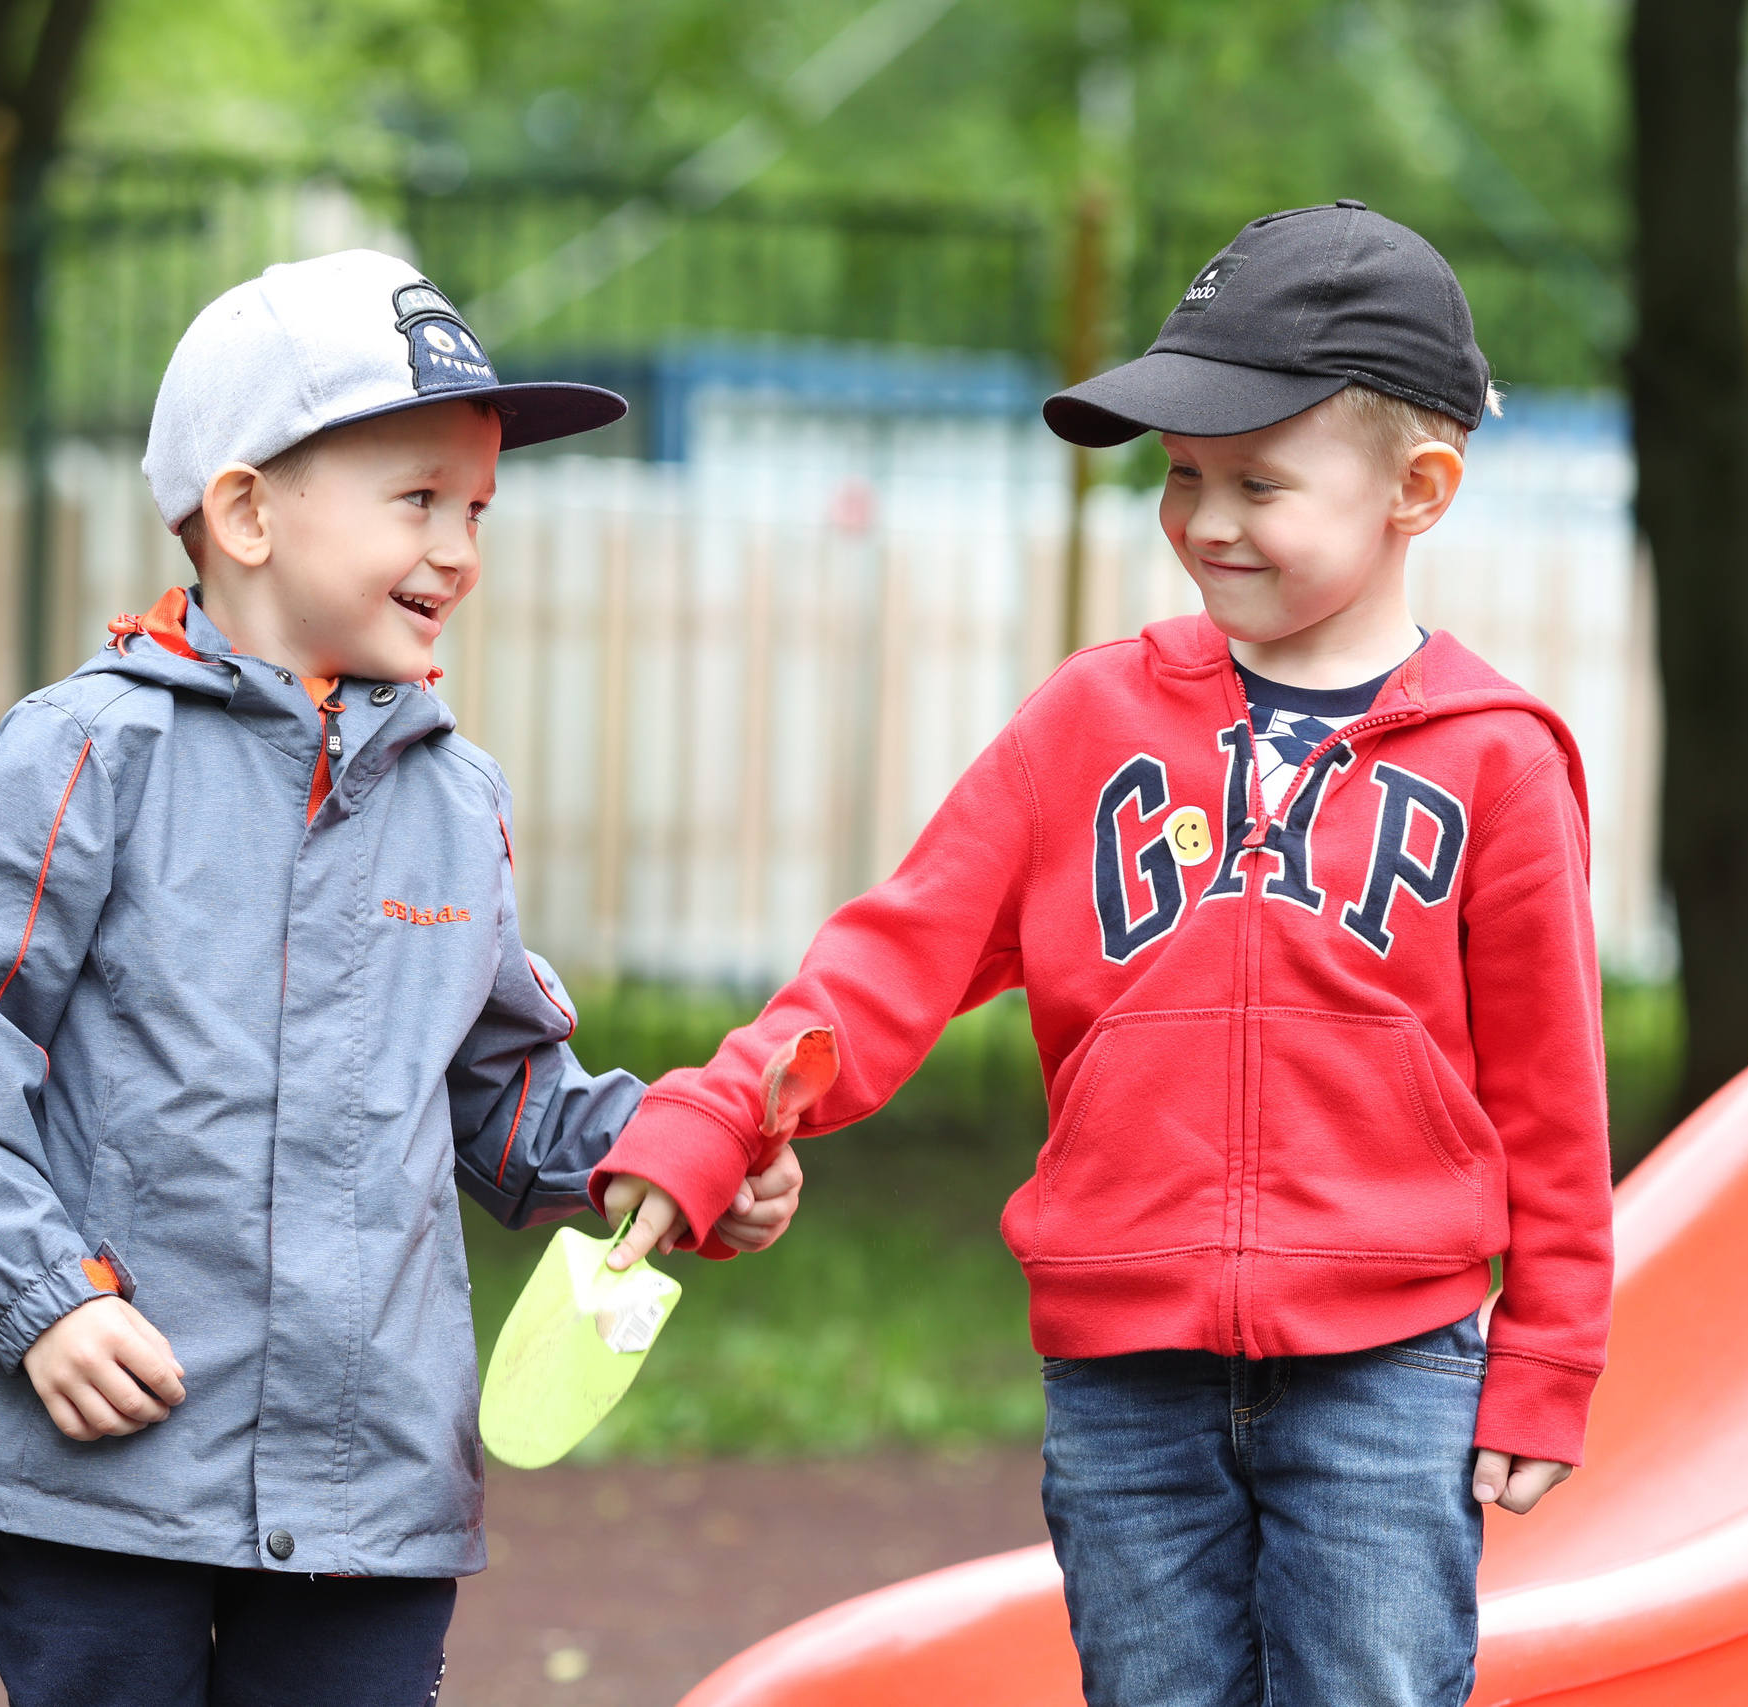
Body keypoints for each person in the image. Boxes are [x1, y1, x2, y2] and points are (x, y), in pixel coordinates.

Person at [592, 202, 1612, 1707]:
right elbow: (896, 955)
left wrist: (1547, 1354)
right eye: (1181, 476)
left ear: (1421, 488)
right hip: (1124, 1375)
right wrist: (718, 1114)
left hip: (1391, 1364)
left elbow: (1552, 1097)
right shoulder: (1090, 722)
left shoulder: (1496, 762)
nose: (1203, 520)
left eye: (1257, 481)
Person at [0, 249, 800, 1707]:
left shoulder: (452, 794)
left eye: (477, 508)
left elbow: (501, 1091)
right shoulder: (91, 755)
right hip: (114, 1456)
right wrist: (44, 1300)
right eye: (417, 498)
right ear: (244, 512)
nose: (463, 547)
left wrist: (665, 1153)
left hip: (371, 1481)